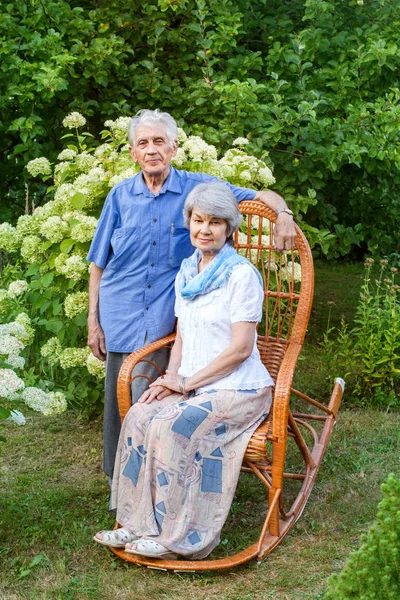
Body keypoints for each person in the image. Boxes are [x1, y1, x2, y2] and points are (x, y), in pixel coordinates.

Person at [87, 109, 296, 481]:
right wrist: (94, 320)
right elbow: (98, 262)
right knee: (120, 401)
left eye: (158, 142)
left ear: (173, 147)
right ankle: (122, 480)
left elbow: (257, 198)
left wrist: (283, 212)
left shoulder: (198, 191)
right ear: (133, 152)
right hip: (121, 311)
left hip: (169, 316)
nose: (151, 150)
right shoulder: (119, 197)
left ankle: (162, 477)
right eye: (143, 143)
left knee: (154, 393)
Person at [94, 182, 275, 559]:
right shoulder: (188, 271)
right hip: (196, 384)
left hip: (239, 390)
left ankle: (177, 537)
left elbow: (241, 349)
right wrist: (170, 378)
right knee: (142, 415)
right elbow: (180, 338)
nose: (204, 229)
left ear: (230, 229)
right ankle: (135, 522)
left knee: (171, 426)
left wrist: (188, 383)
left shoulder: (240, 275)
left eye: (215, 222)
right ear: (189, 223)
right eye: (198, 220)